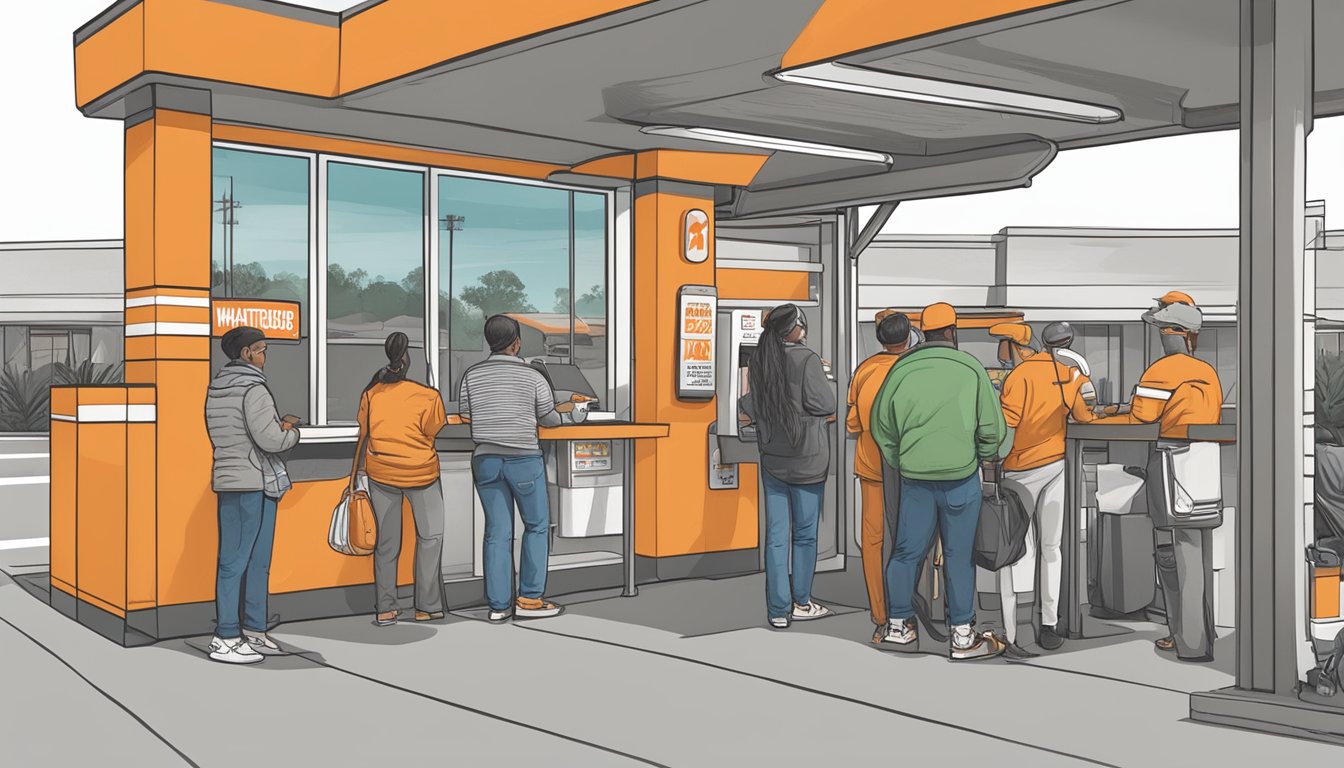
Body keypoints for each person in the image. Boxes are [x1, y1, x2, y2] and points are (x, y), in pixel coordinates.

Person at [871, 303, 1008, 660]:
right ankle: (962, 637)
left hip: (915, 478)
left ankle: (898, 627)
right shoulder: (971, 368)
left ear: (923, 333)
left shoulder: (902, 369)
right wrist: (980, 454)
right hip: (961, 478)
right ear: (952, 332)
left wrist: (902, 459)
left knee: (905, 552)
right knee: (959, 556)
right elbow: (993, 429)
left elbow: (880, 425)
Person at [1095, 291, 1223, 662]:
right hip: (1204, 464)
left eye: (1163, 330)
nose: (1160, 337)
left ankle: (1190, 642)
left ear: (1174, 334)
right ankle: (1199, 635)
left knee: (1176, 552)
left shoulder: (1163, 370)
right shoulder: (1207, 372)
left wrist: (1107, 412)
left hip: (1172, 463)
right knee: (1197, 551)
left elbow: (1141, 417)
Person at [995, 321, 1100, 658]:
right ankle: (1049, 625)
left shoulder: (1016, 378)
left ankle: (1012, 631)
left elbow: (1005, 427)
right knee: (1052, 548)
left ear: (1014, 346)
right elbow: (1085, 415)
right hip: (1056, 466)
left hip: (1018, 472)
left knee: (1015, 553)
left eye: (1002, 345)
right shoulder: (1068, 374)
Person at [459, 315, 575, 622]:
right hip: (523, 460)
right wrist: (567, 412)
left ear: (489, 342)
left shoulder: (472, 375)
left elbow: (466, 413)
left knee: (497, 532)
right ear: (517, 343)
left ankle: (498, 606)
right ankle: (530, 600)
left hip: (485, 461)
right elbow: (548, 418)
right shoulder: (532, 376)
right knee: (536, 527)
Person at [204, 326, 301, 664]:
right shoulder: (253, 389)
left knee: (243, 560)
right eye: (261, 350)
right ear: (246, 354)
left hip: (231, 479)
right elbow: (270, 440)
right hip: (253, 481)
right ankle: (228, 636)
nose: (264, 356)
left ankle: (253, 631)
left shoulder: (217, 386)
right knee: (245, 562)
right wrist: (291, 432)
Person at [739, 303, 837, 629]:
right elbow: (826, 404)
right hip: (808, 459)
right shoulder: (807, 359)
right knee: (805, 535)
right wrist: (822, 375)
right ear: (794, 328)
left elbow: (749, 404)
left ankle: (778, 611)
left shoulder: (760, 361)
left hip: (773, 460)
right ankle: (802, 602)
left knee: (777, 537)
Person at [357, 332, 449, 627]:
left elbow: (363, 433)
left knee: (386, 544)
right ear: (408, 359)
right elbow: (434, 430)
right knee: (431, 538)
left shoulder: (371, 394)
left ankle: (385, 608)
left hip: (381, 473)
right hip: (421, 472)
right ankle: (427, 606)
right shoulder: (428, 396)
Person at [847, 310, 911, 641]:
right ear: (909, 337)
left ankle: (881, 616)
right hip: (911, 469)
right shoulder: (915, 369)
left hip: (872, 466)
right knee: (910, 539)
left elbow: (853, 423)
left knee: (873, 542)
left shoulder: (865, 371)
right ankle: (909, 612)